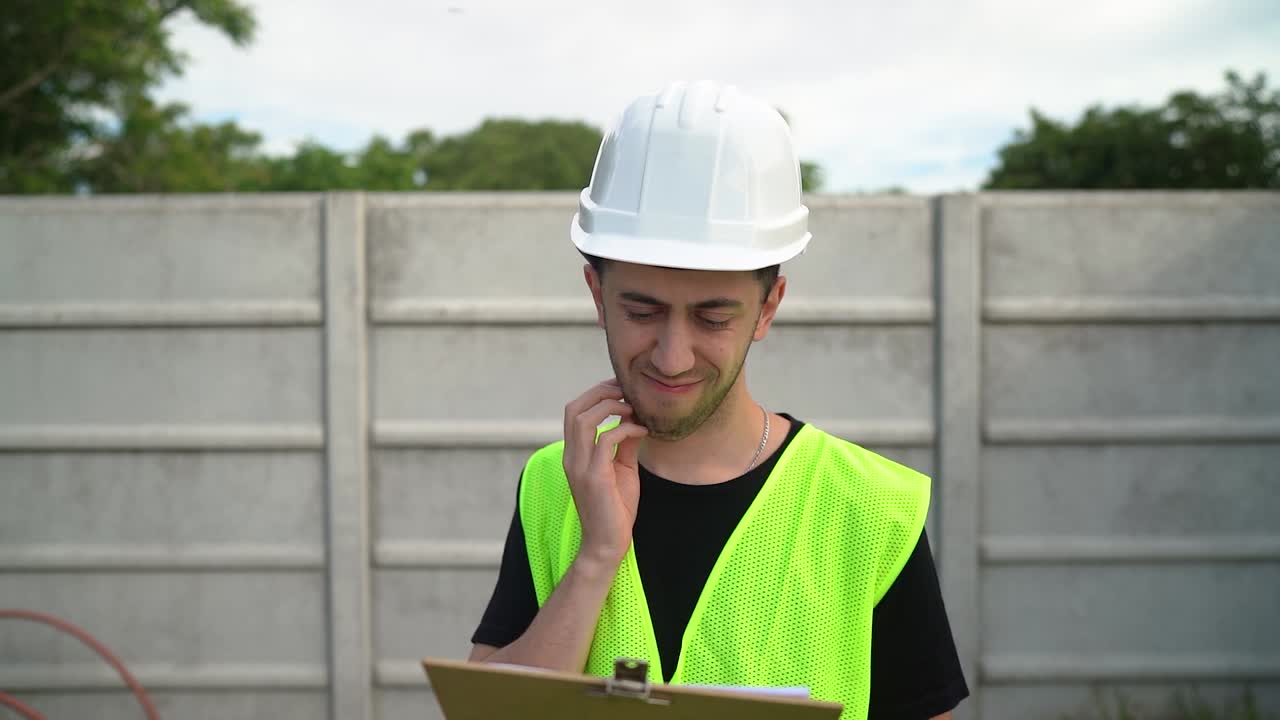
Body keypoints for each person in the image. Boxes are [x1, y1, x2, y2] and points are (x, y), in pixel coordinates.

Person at [468, 81, 968, 719]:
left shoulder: (871, 509)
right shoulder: (554, 483)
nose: (672, 356)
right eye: (642, 310)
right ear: (597, 296)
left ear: (768, 309)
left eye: (712, 318)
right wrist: (596, 557)